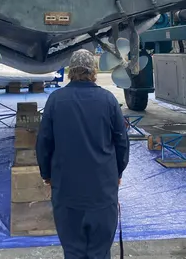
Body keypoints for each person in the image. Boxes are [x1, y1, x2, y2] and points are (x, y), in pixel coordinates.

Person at [36, 49, 130, 259]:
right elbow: (122, 142)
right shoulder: (108, 100)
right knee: (100, 251)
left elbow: (43, 143)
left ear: (71, 71)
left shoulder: (55, 100)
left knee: (73, 251)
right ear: (93, 71)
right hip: (102, 192)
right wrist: (118, 173)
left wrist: (47, 175)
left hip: (67, 194)